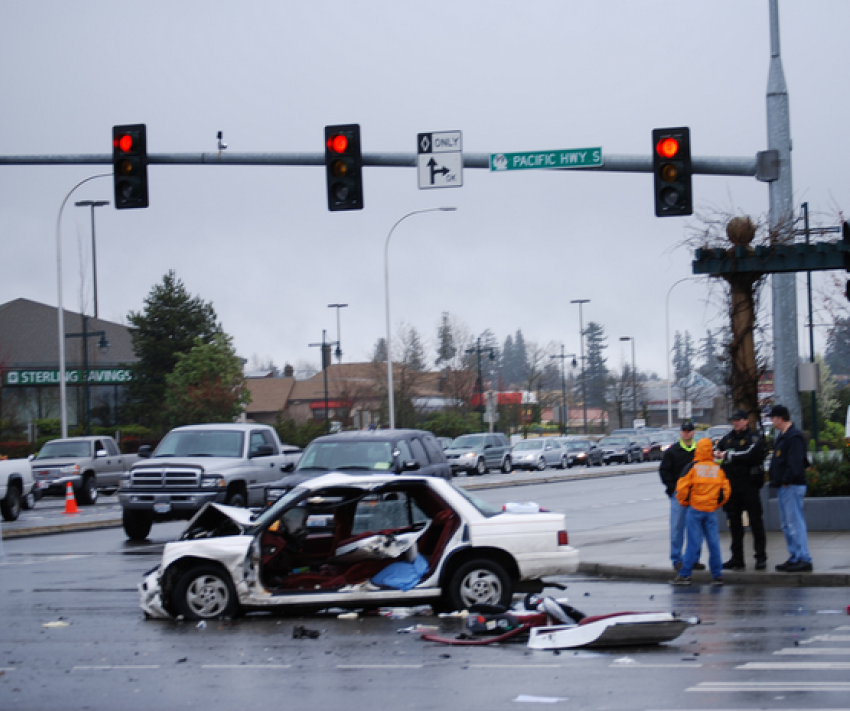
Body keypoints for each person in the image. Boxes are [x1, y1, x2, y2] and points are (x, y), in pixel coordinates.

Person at [671, 437, 731, 586]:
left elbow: (682, 489)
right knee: (714, 543)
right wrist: (716, 503)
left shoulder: (692, 468)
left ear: (698, 450)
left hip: (695, 509)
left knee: (693, 543)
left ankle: (685, 575)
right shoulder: (717, 468)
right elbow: (726, 491)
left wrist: (686, 503)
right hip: (710, 510)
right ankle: (717, 575)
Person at [714, 410, 767, 570]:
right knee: (734, 523)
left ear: (746, 421)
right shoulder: (728, 438)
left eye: (738, 420)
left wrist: (728, 456)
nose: (735, 423)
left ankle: (760, 557)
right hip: (732, 487)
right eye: (734, 420)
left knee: (755, 522)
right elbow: (716, 451)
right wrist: (720, 454)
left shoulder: (754, 438)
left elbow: (749, 455)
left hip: (749, 485)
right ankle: (737, 558)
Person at [768, 404, 813, 573]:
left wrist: (786, 479)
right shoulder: (784, 436)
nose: (771, 421)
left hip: (792, 486)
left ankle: (803, 558)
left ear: (780, 418)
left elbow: (795, 463)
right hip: (784, 486)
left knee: (795, 523)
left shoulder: (794, 437)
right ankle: (794, 556)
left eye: (772, 418)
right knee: (787, 525)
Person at [658, 421, 704, 572]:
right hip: (679, 496)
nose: (685, 433)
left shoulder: (699, 451)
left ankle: (694, 558)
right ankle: (677, 559)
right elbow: (664, 471)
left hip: (696, 496)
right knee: (677, 527)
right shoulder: (673, 451)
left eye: (688, 431)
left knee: (695, 529)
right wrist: (672, 489)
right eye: (683, 431)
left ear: (693, 433)